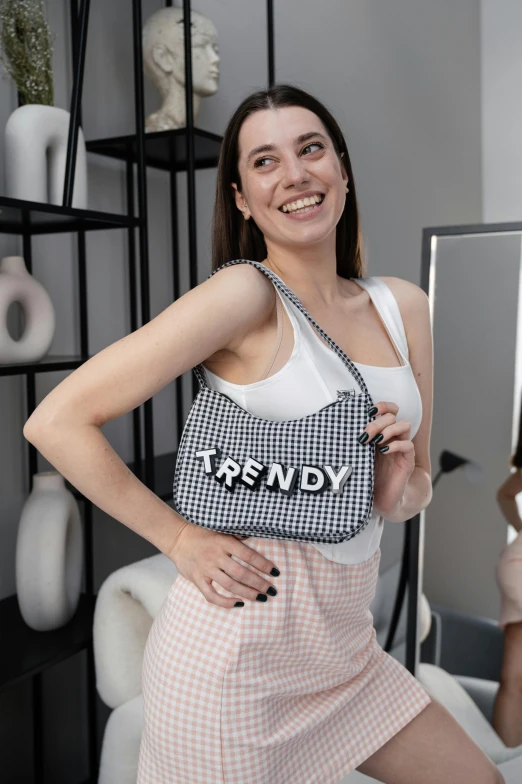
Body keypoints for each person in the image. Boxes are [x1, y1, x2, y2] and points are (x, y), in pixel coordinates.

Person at [23, 84, 504, 784]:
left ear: (342, 168)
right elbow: (56, 421)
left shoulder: (404, 306)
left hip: (347, 656)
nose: (296, 174)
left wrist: (398, 488)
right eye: (265, 162)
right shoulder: (246, 295)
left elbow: (411, 492)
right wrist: (180, 539)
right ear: (243, 199)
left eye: (311, 150)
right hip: (236, 664)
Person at [492, 400, 522, 749]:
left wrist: (519, 528)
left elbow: (504, 494)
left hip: (514, 563)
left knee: (512, 676)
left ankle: (509, 757)